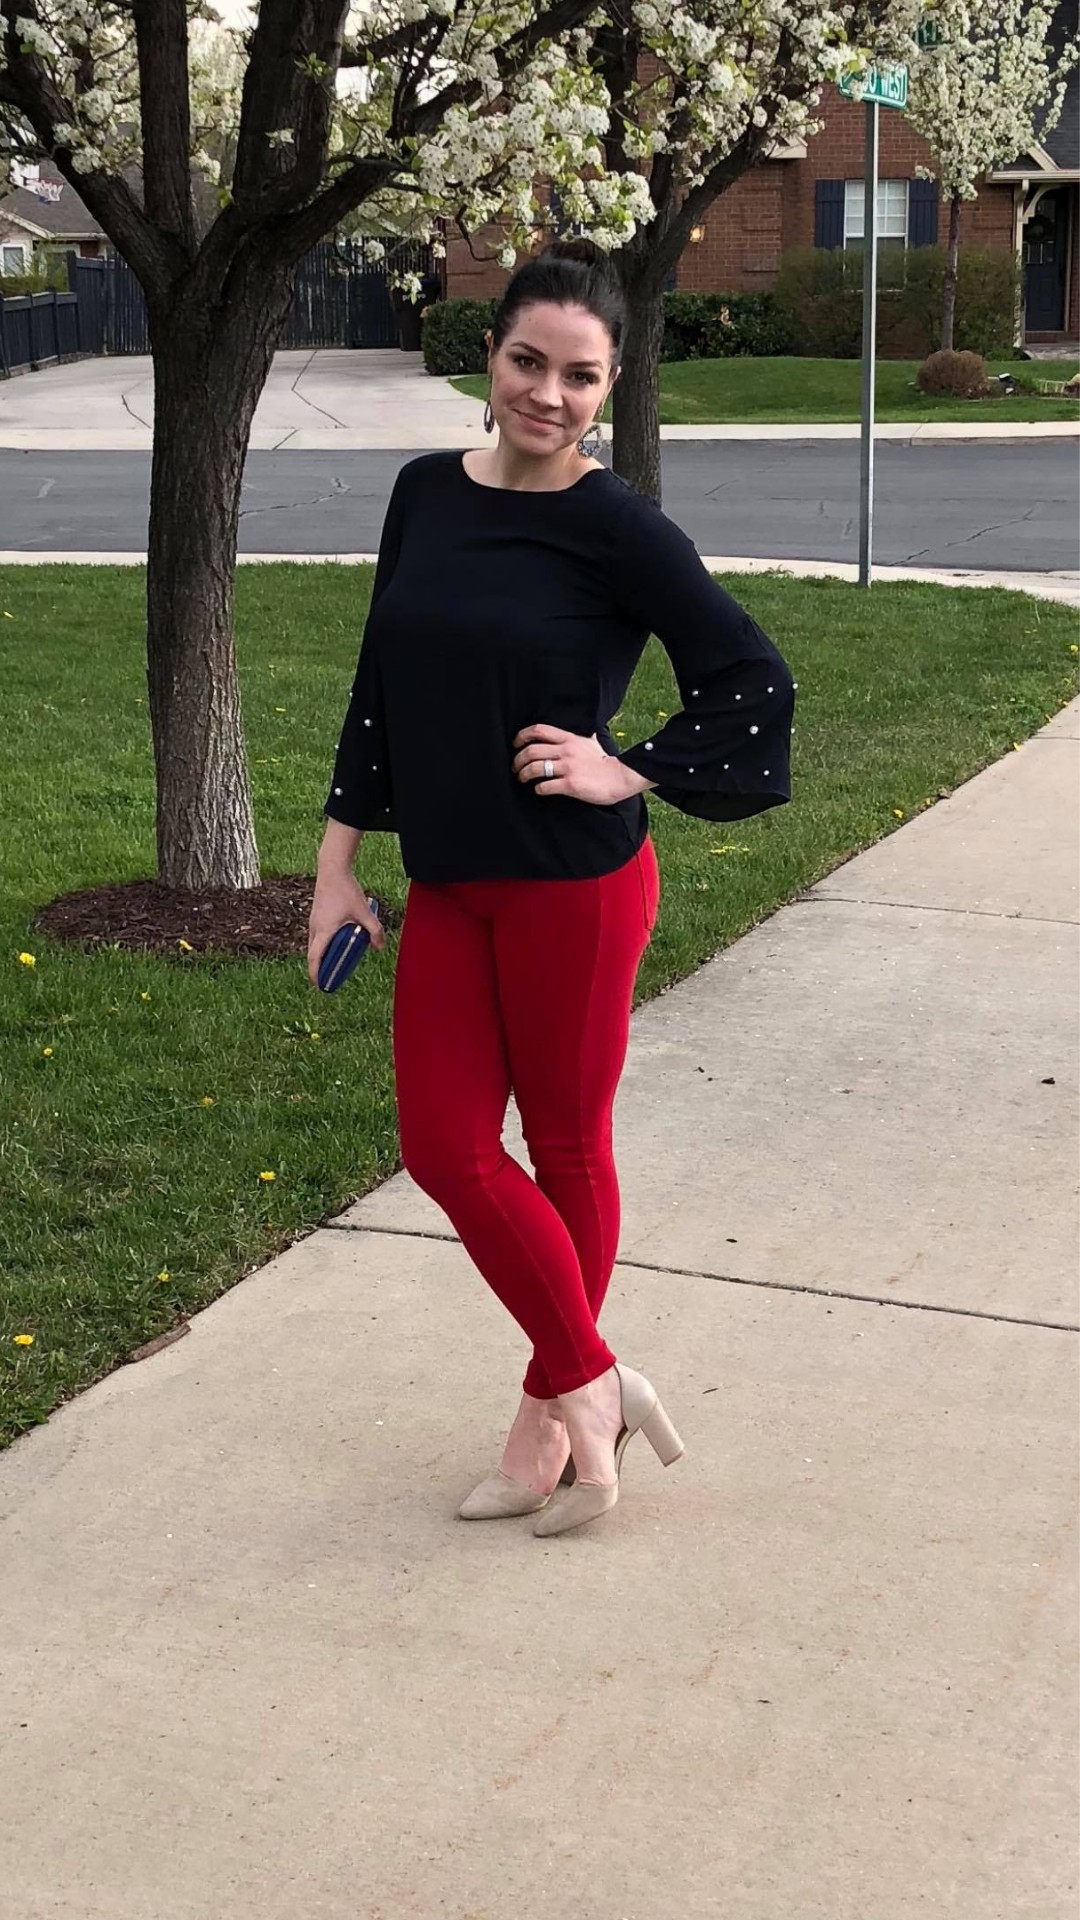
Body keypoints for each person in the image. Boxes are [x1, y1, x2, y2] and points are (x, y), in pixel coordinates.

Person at [308, 238, 795, 1538]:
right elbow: (379, 687)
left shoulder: (617, 525)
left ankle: (546, 1420)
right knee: (446, 1148)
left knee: (567, 1147)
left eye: (581, 376)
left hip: (572, 891)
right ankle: (595, 1380)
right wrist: (337, 865)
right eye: (529, 361)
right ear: (491, 356)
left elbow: (752, 679)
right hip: (450, 883)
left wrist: (624, 766)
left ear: (610, 383)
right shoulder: (425, 493)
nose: (550, 394)